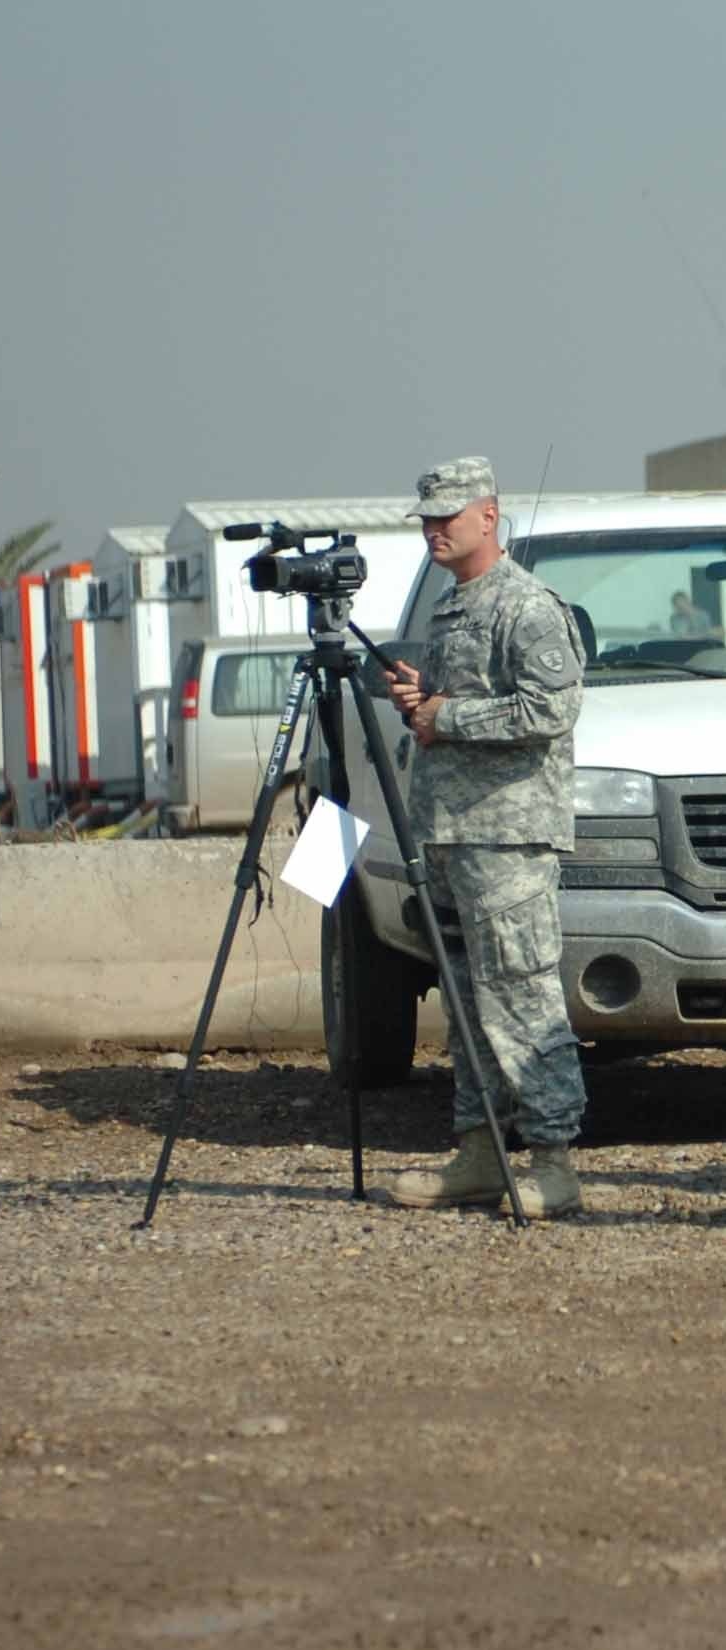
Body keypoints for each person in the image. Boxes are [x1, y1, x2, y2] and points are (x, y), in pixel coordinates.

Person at [383, 456, 587, 1219]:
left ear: (488, 515)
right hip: (452, 836)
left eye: (448, 515)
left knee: (523, 999)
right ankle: (479, 1151)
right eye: (428, 517)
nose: (435, 529)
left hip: (509, 839)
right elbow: (451, 709)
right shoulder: (453, 606)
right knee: (468, 1004)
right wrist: (419, 701)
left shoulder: (525, 607)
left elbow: (550, 712)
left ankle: (555, 1160)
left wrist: (449, 716)